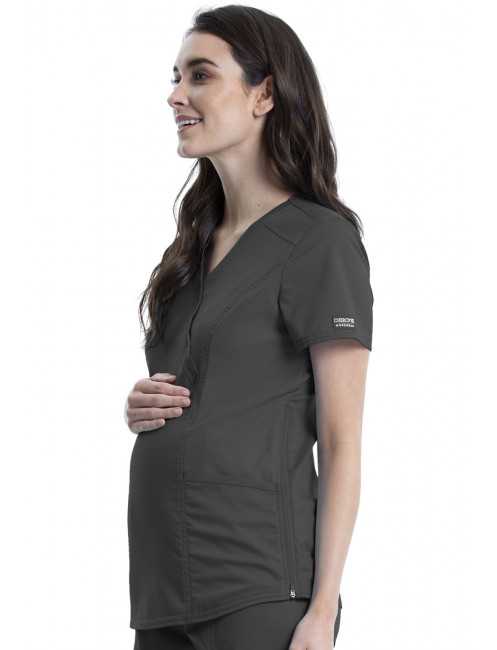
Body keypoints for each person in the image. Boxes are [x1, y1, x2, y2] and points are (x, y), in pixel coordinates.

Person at [125, 6, 374, 649]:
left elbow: (341, 439)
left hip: (259, 587)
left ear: (264, 95)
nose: (176, 95)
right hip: (163, 585)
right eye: (176, 77)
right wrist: (144, 404)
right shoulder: (191, 250)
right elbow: (216, 388)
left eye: (201, 75)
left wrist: (322, 610)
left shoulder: (318, 241)